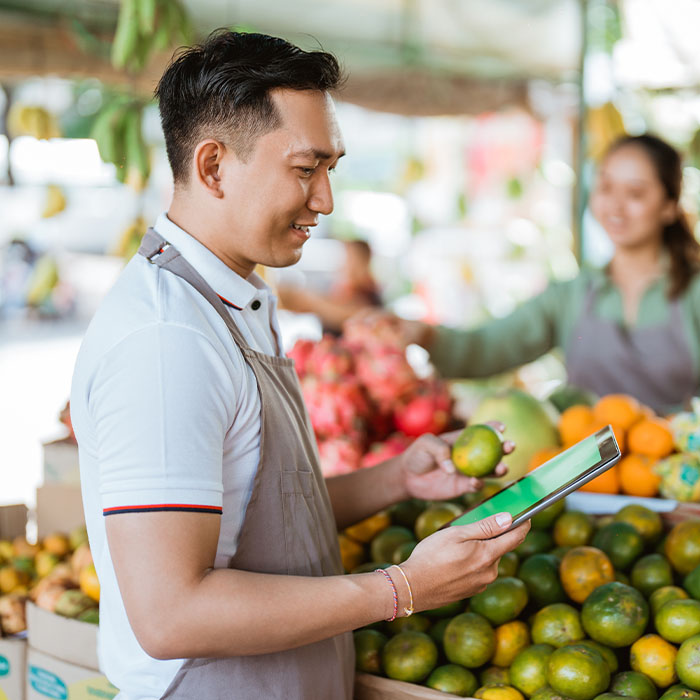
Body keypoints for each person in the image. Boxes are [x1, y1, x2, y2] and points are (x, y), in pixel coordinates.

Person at [70, 31, 529, 700]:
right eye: (305, 168)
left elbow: (254, 516)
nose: (326, 201)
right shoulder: (167, 341)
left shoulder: (232, 300)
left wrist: (399, 477)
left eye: (331, 169)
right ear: (213, 167)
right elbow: (171, 615)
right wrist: (399, 588)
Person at [383, 134, 700, 415]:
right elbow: (488, 347)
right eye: (605, 187)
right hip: (586, 477)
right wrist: (423, 335)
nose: (615, 205)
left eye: (635, 193)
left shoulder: (693, 292)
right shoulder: (571, 296)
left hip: (681, 475)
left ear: (670, 206)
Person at [277, 238, 382, 334]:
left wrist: (312, 301)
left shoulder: (369, 293)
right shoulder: (341, 289)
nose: (344, 263)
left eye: (350, 258)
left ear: (365, 261)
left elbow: (351, 315)